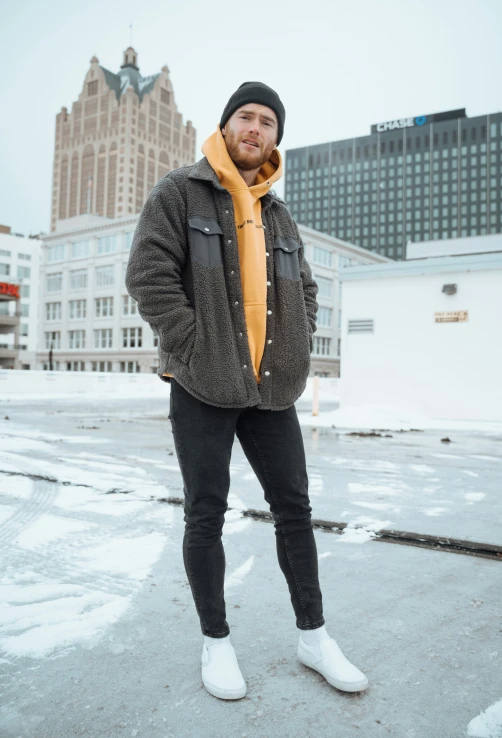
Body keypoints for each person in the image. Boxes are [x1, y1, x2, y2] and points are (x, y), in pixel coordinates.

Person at [125, 81, 368, 700]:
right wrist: (193, 345)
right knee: (206, 513)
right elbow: (147, 276)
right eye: (245, 117)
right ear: (226, 126)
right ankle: (217, 642)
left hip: (271, 390)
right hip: (203, 385)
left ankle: (313, 636)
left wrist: (297, 343)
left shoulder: (279, 214)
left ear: (277, 137)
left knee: (296, 510)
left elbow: (306, 291)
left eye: (267, 121)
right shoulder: (180, 192)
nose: (255, 129)